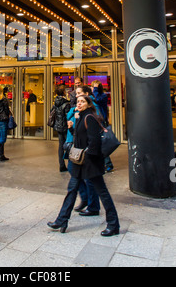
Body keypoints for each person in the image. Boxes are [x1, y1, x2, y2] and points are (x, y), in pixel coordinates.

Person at [48, 94, 120, 237]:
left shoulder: (90, 118)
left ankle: (113, 224)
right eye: (78, 101)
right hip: (80, 163)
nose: (79, 104)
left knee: (103, 193)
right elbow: (80, 138)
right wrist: (71, 129)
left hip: (90, 164)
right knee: (71, 190)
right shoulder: (80, 117)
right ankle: (62, 220)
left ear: (89, 104)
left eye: (82, 101)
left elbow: (94, 142)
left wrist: (87, 158)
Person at [67, 86, 100, 216]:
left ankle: (92, 205)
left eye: (81, 96)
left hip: (86, 152)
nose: (78, 100)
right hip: (76, 147)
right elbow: (70, 120)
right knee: (74, 173)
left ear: (87, 96)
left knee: (92, 181)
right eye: (77, 97)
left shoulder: (90, 113)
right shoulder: (78, 111)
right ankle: (86, 200)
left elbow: (92, 135)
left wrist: (90, 154)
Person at [91, 80, 114, 172]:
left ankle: (108, 164)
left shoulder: (102, 96)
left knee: (102, 143)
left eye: (94, 87)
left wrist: (95, 89)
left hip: (101, 122)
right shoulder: (93, 96)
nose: (93, 89)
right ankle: (102, 163)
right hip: (95, 121)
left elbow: (97, 99)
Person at [53, 85, 71, 172]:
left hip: (58, 126)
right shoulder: (66, 103)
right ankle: (71, 164)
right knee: (69, 145)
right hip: (65, 127)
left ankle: (62, 165)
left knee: (61, 146)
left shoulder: (55, 102)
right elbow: (68, 116)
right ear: (64, 92)